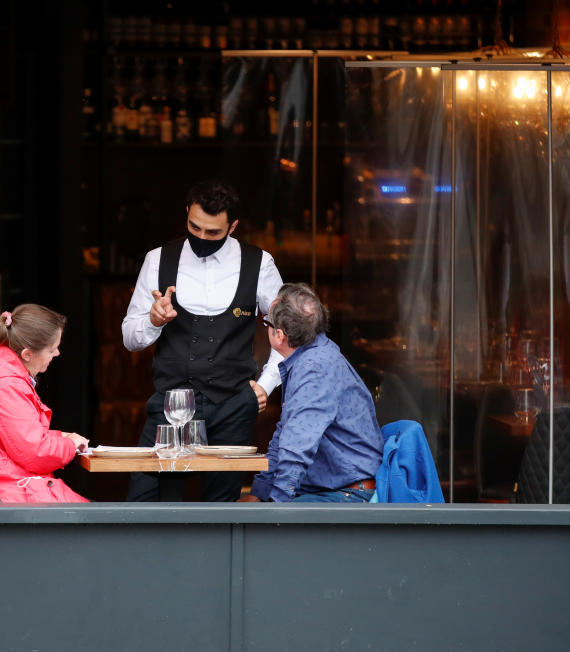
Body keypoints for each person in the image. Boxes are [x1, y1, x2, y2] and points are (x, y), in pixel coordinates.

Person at [122, 179, 285, 502]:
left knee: (220, 511)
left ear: (233, 226)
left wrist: (265, 386)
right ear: (187, 214)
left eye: (212, 233)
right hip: (170, 407)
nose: (201, 237)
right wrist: (154, 320)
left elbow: (289, 334)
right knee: (145, 504)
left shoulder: (259, 264)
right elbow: (130, 337)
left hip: (233, 406)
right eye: (194, 227)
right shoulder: (158, 259)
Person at [239, 283, 384, 503]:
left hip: (347, 493)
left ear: (279, 336)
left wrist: (274, 505)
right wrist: (259, 494)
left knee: (262, 534)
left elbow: (296, 448)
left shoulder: (314, 369)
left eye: (267, 321)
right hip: (334, 486)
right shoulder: (313, 356)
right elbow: (285, 435)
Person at [0, 304, 90, 503]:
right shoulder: (7, 385)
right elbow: (35, 453)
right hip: (12, 491)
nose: (57, 353)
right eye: (52, 349)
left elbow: (12, 438)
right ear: (27, 354)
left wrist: (60, 437)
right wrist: (70, 445)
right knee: (105, 523)